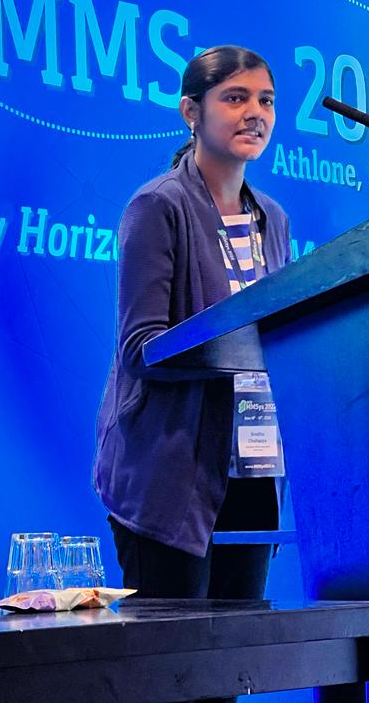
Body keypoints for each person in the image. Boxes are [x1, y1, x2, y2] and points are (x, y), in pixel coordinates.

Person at [94, 46, 289, 600]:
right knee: (178, 653)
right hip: (170, 477)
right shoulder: (158, 207)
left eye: (266, 101)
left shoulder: (273, 219)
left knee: (239, 649)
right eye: (235, 98)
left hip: (253, 471)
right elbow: (141, 347)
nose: (255, 113)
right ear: (191, 112)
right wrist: (251, 353)